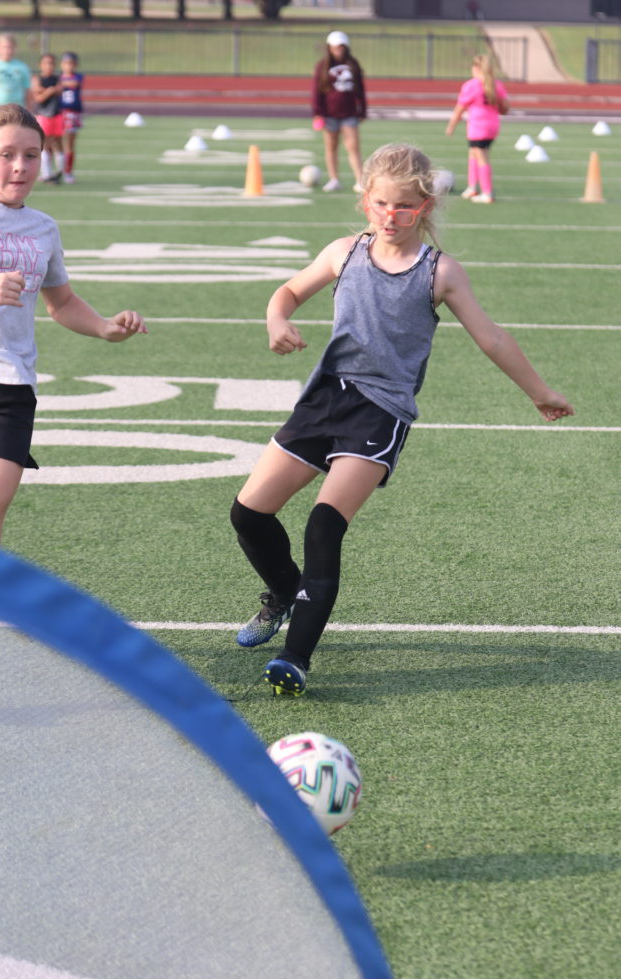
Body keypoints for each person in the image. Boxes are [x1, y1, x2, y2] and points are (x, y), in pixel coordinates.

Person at [230, 143, 573, 698]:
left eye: (405, 207)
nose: (391, 216)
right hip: (324, 399)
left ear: (425, 207)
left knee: (323, 526)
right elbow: (288, 292)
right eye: (382, 204)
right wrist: (277, 320)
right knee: (248, 513)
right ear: (366, 200)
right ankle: (285, 592)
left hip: (381, 411)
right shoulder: (344, 252)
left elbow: (491, 337)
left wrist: (540, 392)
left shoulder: (440, 272)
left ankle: (294, 659)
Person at [0, 104, 147, 717]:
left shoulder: (43, 229)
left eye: (31, 155)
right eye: (7, 154)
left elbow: (61, 302)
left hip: (8, 392)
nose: (21, 166)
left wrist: (105, 327)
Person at [445, 54, 509, 204]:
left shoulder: (472, 86)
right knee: (473, 153)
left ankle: (487, 193)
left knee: (482, 157)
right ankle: (472, 186)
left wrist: (451, 126)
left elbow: (460, 109)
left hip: (478, 127)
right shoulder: (496, 85)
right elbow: (505, 108)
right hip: (492, 126)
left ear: (476, 68)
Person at [311, 30, 367, 194]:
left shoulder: (353, 64)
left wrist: (362, 110)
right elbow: (316, 91)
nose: (338, 50)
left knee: (353, 147)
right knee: (331, 147)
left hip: (349, 113)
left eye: (341, 47)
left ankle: (359, 180)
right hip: (329, 114)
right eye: (335, 47)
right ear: (329, 48)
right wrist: (318, 112)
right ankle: (334, 179)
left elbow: (360, 89)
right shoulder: (322, 66)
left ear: (346, 47)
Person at [31, 53, 64, 185]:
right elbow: (38, 97)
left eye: (51, 63)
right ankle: (46, 173)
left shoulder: (57, 79)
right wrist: (50, 91)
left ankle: (60, 172)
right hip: (43, 116)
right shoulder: (37, 79)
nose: (49, 66)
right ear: (40, 65)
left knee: (58, 143)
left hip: (56, 115)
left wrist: (47, 90)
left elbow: (60, 90)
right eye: (46, 63)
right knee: (45, 144)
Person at [58, 51, 84, 184]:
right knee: (55, 143)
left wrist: (58, 85)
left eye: (71, 63)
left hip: (73, 113)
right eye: (66, 63)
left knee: (69, 143)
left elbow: (74, 83)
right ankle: (54, 171)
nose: (69, 66)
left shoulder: (78, 77)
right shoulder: (58, 78)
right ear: (62, 64)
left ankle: (68, 171)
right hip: (59, 112)